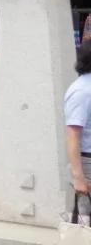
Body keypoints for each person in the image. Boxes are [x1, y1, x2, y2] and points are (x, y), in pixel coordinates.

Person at [65, 42, 91, 217]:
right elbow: (73, 135)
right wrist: (78, 178)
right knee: (85, 222)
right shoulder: (83, 91)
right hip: (88, 162)